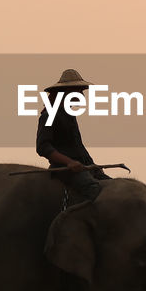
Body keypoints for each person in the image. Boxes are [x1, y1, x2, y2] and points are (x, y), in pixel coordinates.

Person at [35, 69, 110, 204]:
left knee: (112, 186)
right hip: (65, 169)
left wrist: (93, 165)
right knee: (93, 190)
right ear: (66, 92)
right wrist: (69, 162)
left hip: (83, 167)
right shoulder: (49, 115)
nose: (82, 94)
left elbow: (78, 147)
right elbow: (42, 147)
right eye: (79, 90)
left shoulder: (69, 115)